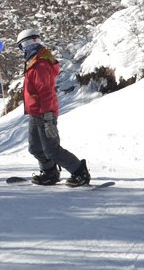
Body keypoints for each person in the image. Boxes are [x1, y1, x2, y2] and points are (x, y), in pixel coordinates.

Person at [16, 28, 90, 187]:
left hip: (44, 113)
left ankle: (79, 171)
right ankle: (50, 172)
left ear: (28, 43)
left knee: (51, 150)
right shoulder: (33, 62)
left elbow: (46, 92)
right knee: (35, 148)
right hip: (35, 113)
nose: (22, 51)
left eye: (21, 47)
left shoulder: (40, 65)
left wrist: (49, 117)